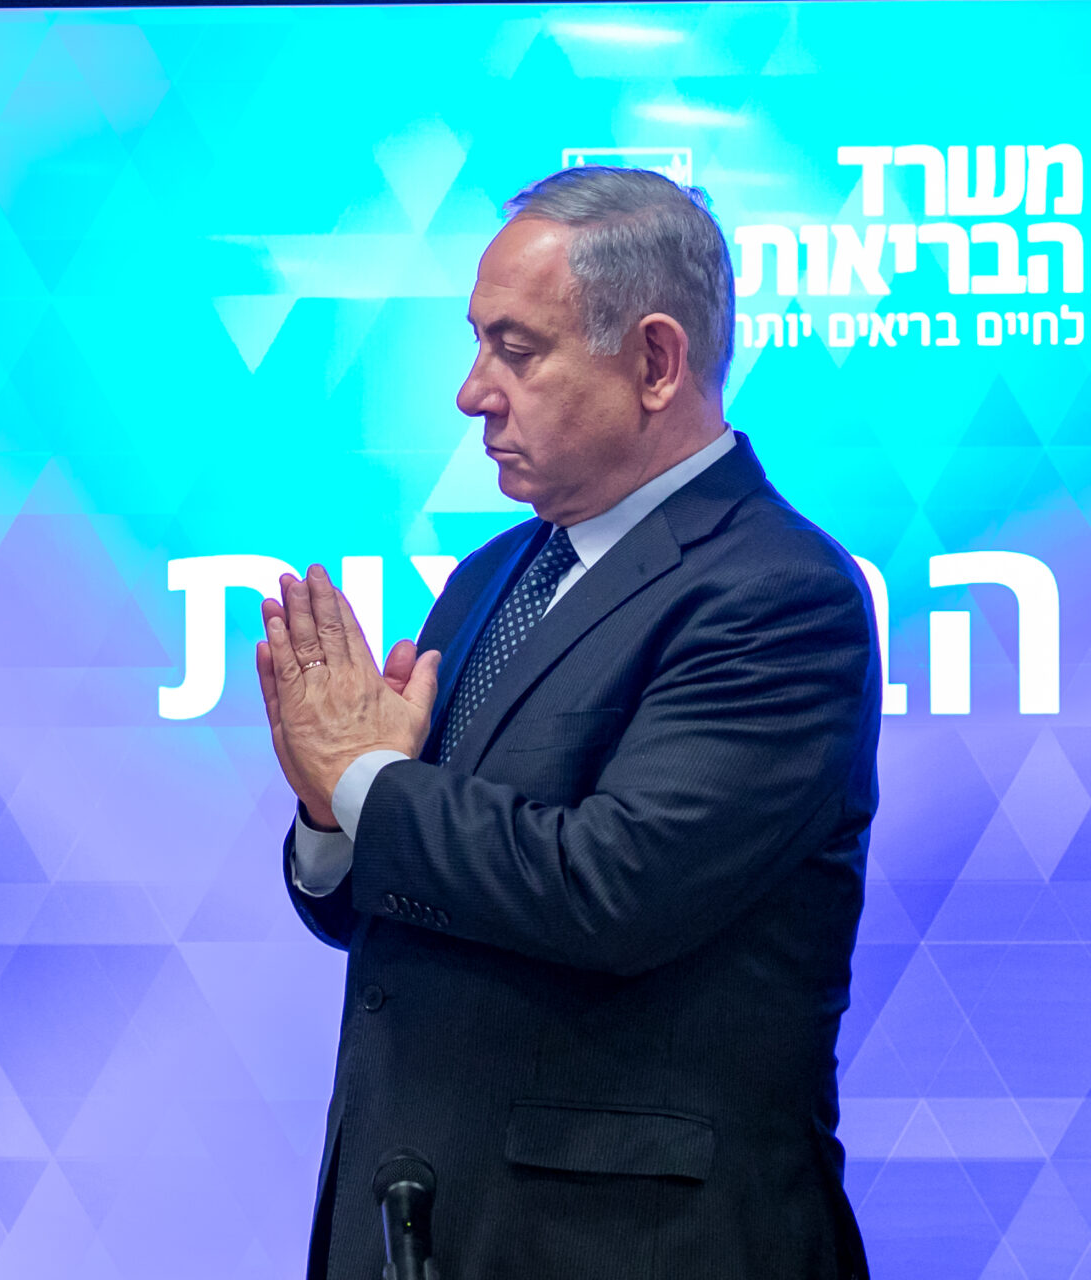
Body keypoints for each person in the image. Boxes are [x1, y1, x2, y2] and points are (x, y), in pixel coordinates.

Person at [257, 167, 879, 1279]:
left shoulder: (779, 595)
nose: (471, 393)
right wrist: (331, 815)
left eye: (516, 350)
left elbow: (614, 887)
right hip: (417, 1227)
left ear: (655, 362)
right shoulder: (493, 574)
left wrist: (363, 780)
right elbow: (404, 897)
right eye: (476, 343)